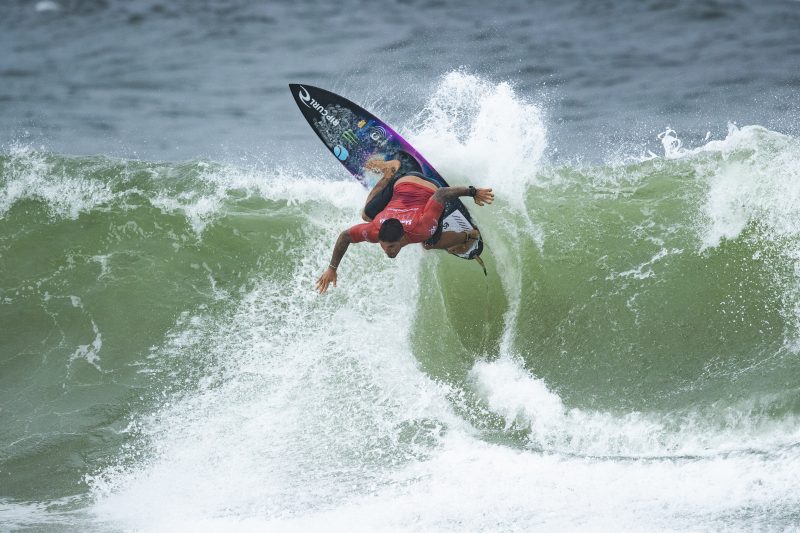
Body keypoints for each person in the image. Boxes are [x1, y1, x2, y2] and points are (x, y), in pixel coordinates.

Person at [316, 156, 494, 294]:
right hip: (401, 181)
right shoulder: (374, 231)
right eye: (385, 247)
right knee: (366, 215)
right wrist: (332, 268)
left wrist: (473, 191)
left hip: (430, 187)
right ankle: (389, 173)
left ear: (402, 237)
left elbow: (441, 194)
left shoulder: (421, 228)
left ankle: (469, 235)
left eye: (391, 247)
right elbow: (345, 236)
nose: (388, 251)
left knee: (429, 243)